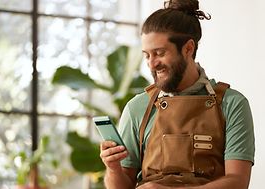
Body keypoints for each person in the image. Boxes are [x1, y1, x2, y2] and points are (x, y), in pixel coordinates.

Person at [99, 0, 255, 188]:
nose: (152, 64)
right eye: (147, 55)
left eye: (159, 52)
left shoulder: (231, 103)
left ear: (188, 49)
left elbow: (237, 182)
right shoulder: (137, 107)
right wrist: (114, 168)